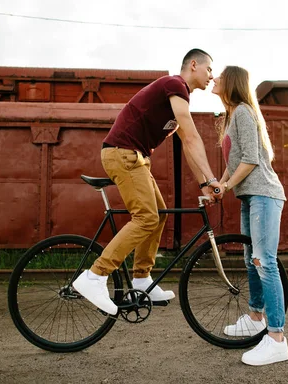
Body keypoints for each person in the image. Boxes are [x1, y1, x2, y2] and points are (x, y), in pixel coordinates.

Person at [73, 49, 224, 315]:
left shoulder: (177, 99)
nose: (212, 75)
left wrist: (203, 184)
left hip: (134, 157)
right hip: (124, 153)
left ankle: (141, 279)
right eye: (209, 69)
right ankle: (95, 276)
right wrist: (212, 179)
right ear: (193, 65)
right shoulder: (175, 85)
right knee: (145, 218)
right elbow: (191, 137)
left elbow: (188, 149)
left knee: (159, 214)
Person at [211, 65, 288, 366]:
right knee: (251, 260)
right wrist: (221, 184)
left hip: (265, 195)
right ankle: (256, 317)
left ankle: (277, 339)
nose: (214, 79)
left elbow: (253, 160)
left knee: (264, 262)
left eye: (219, 76)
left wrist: (228, 185)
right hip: (249, 195)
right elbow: (236, 162)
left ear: (231, 83)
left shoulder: (243, 110)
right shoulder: (232, 115)